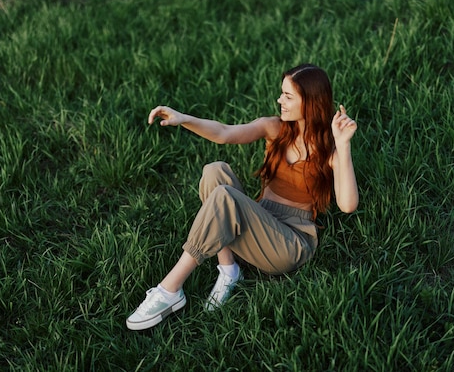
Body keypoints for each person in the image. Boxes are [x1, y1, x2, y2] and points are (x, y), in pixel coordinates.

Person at [126, 63, 359, 331]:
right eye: (281, 93)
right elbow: (224, 133)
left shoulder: (329, 149)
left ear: (310, 102)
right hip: (262, 217)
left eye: (288, 96)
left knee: (225, 196)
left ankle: (170, 289)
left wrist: (343, 145)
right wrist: (184, 119)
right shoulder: (275, 128)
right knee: (215, 171)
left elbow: (348, 204)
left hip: (290, 242)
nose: (279, 100)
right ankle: (228, 270)